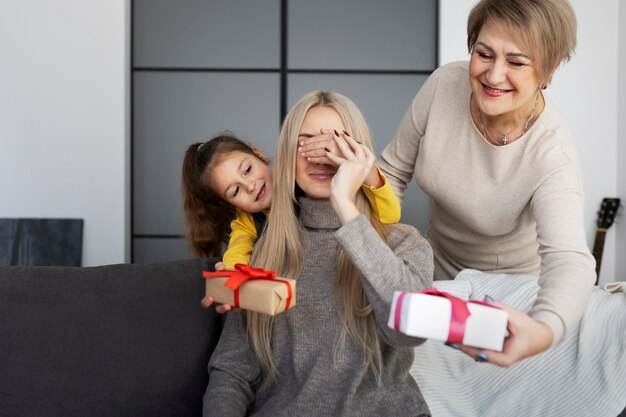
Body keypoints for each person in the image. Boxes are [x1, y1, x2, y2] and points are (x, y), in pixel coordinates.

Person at [308, 0, 596, 367]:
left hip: (510, 296)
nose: (493, 76)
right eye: (484, 53)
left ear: (548, 70)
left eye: (517, 62)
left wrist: (545, 328)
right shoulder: (444, 85)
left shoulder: (553, 153)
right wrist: (374, 260)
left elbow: (569, 259)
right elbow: (391, 174)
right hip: (436, 276)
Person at [202, 90, 434, 416]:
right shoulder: (261, 254)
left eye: (335, 143)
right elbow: (233, 371)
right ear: (286, 156)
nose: (321, 156)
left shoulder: (404, 243)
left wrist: (344, 203)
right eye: (307, 143)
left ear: (360, 155)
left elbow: (411, 329)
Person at [181, 133, 401, 272]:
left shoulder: (307, 182)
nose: (250, 186)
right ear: (232, 205)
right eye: (236, 190)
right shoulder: (247, 222)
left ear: (259, 155)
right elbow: (238, 252)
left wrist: (368, 171)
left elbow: (388, 216)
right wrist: (233, 273)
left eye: (247, 170)